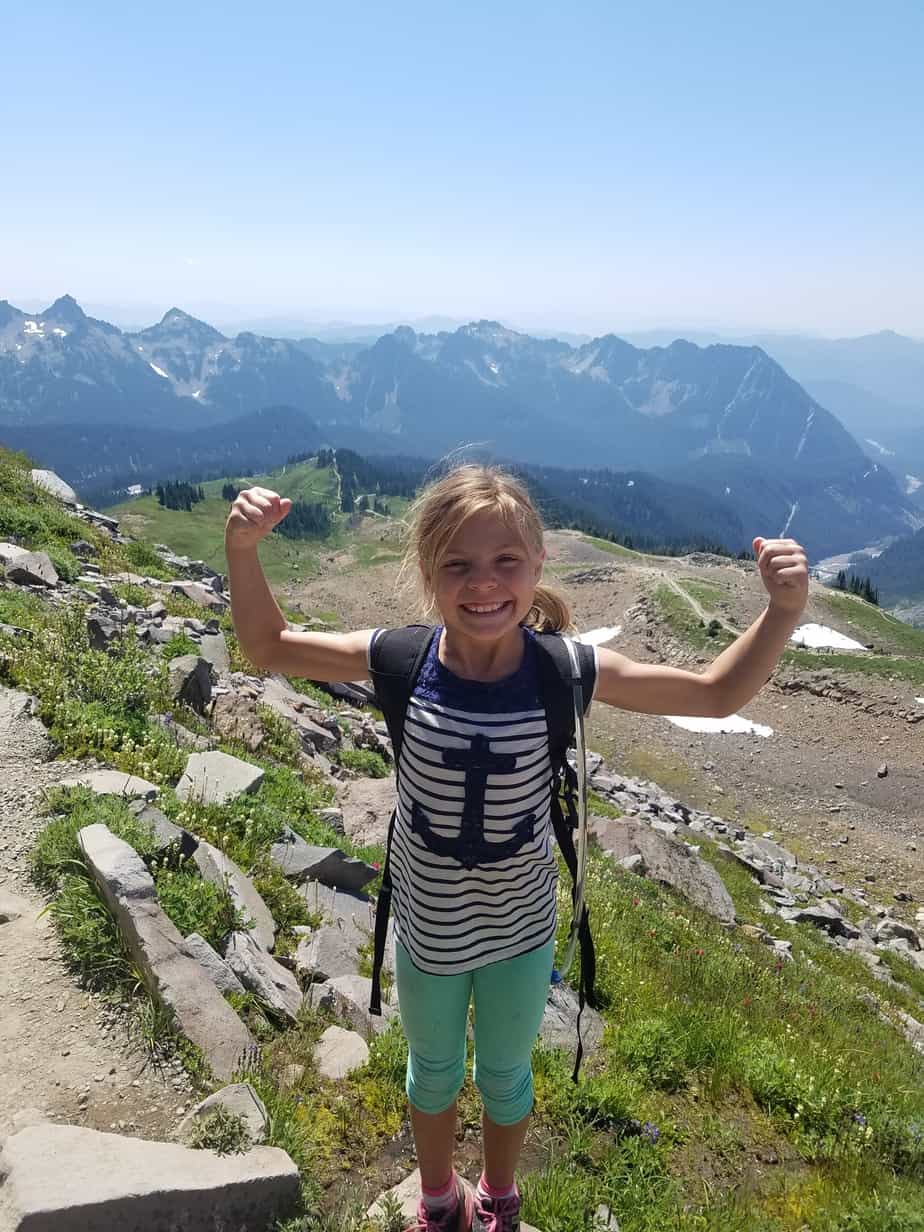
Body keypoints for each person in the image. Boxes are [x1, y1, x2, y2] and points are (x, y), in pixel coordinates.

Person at [224, 464, 808, 1232]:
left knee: (504, 1075)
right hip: (431, 926)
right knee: (431, 1074)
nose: (483, 585)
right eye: (458, 566)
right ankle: (440, 1201)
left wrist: (783, 611)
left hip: (519, 929)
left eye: (506, 563)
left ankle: (497, 1199)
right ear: (429, 573)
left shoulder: (563, 671)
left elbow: (713, 694)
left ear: (537, 568)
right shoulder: (399, 659)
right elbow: (267, 647)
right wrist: (242, 550)